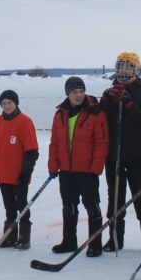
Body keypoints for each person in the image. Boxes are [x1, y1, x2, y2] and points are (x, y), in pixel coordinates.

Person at [99, 52, 141, 251]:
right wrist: (107, 101)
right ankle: (115, 239)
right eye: (122, 66)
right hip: (113, 156)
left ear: (135, 70)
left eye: (129, 66)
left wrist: (129, 103)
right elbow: (101, 120)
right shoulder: (108, 92)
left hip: (135, 156)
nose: (125, 70)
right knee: (114, 200)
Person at [49, 77, 109, 257]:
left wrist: (96, 167)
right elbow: (54, 143)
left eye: (81, 91)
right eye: (75, 92)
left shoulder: (96, 113)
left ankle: (95, 243)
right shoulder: (60, 114)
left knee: (92, 206)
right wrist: (54, 166)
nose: (79, 95)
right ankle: (69, 241)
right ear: (68, 93)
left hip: (87, 170)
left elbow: (102, 143)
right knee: (69, 206)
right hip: (66, 170)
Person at [0, 89, 39, 250]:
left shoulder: (24, 121)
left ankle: (24, 237)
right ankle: (9, 237)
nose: (6, 106)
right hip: (3, 172)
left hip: (18, 174)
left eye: (9, 102)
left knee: (22, 205)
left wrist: (26, 171)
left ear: (15, 103)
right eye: (3, 103)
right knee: (9, 206)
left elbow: (32, 151)